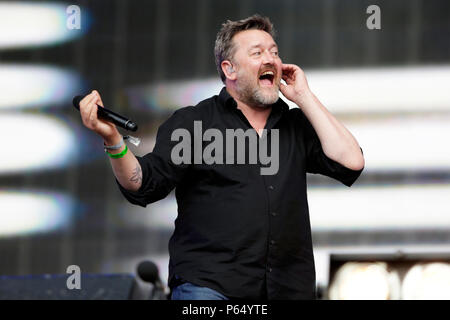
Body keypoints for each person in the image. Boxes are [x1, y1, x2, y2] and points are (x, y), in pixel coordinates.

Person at [78, 15, 364, 300]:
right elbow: (142, 183)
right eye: (257, 53)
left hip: (287, 288)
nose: (270, 59)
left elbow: (351, 162)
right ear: (230, 69)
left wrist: (303, 96)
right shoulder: (195, 124)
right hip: (210, 287)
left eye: (274, 52)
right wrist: (113, 139)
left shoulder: (295, 126)